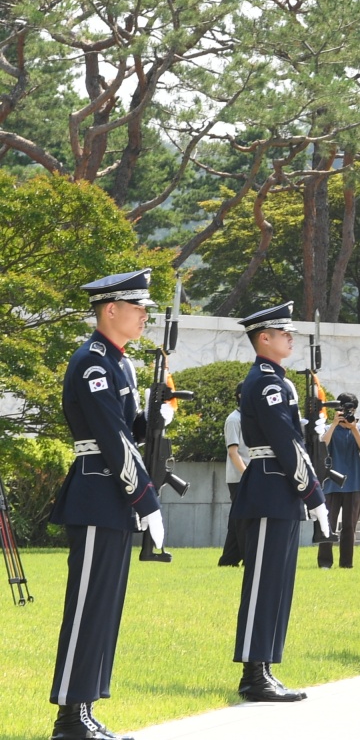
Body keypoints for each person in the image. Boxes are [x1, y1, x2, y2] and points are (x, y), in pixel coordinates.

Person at [48, 271, 165, 740]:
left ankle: (87, 707)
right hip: (99, 493)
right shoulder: (93, 362)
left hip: (114, 498)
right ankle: (69, 716)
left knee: (105, 607)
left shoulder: (121, 364)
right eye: (137, 307)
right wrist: (148, 501)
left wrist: (155, 415)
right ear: (110, 310)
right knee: (87, 607)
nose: (144, 315)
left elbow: (128, 428)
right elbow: (111, 440)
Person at [230, 303, 325, 702]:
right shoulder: (267, 383)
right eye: (283, 332)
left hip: (280, 490)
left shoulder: (278, 381)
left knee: (278, 584)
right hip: (271, 486)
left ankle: (265, 667)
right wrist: (314, 493)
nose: (291, 337)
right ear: (263, 338)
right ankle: (253, 674)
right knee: (263, 584)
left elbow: (292, 436)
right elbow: (284, 443)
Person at [318, 393, 360, 570]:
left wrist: (353, 428)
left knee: (349, 527)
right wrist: (333, 424)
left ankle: (346, 563)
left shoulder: (359, 428)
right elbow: (322, 444)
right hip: (331, 483)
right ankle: (325, 562)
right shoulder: (328, 428)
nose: (347, 412)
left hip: (354, 483)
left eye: (351, 409)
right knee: (327, 524)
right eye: (345, 409)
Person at [217, 404, 249, 568]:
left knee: (237, 519)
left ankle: (229, 559)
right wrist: (246, 475)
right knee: (244, 519)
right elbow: (233, 451)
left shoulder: (250, 418)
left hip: (249, 476)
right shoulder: (233, 420)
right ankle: (248, 558)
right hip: (239, 478)